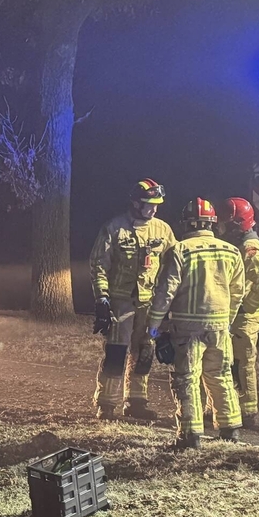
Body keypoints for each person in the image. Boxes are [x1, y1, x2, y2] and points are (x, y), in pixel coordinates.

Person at [147, 198, 245, 449]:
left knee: (187, 379)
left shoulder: (179, 251)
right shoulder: (232, 251)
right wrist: (228, 319)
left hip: (187, 329)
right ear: (212, 223)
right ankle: (230, 428)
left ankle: (190, 436)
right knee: (221, 375)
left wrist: (154, 325)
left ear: (187, 223)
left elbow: (165, 292)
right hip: (220, 326)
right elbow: (238, 292)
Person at [89, 179, 177, 420]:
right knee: (116, 352)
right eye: (150, 204)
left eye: (157, 204)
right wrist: (102, 298)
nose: (154, 209)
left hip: (149, 304)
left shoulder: (163, 230)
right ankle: (107, 403)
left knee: (145, 351)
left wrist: (167, 300)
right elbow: (99, 265)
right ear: (136, 203)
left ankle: (136, 402)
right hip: (121, 302)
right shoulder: (114, 228)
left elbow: (174, 265)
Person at [215, 198, 259, 428]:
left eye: (225, 223)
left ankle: (247, 411)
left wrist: (246, 306)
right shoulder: (240, 246)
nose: (220, 227)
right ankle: (234, 408)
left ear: (236, 225)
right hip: (238, 316)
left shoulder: (251, 249)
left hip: (246, 318)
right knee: (231, 362)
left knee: (242, 364)